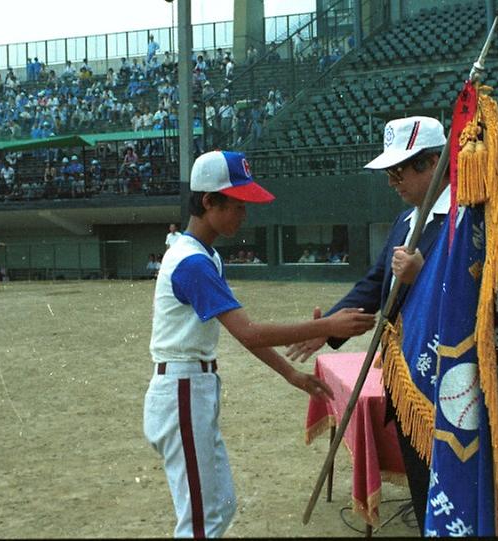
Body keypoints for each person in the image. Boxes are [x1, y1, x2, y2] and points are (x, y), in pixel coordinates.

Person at [143, 150, 375, 538]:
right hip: (181, 389)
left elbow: (243, 331)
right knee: (201, 521)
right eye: (237, 204)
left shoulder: (205, 256)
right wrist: (330, 324)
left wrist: (290, 374)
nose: (244, 214)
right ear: (208, 201)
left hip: (193, 388)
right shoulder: (191, 262)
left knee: (220, 506)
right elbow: (248, 332)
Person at [283, 116, 448, 534]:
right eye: (388, 173)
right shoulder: (405, 221)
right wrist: (329, 328)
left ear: (433, 163)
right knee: (420, 482)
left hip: (448, 382)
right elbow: (376, 283)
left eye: (399, 171)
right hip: (406, 380)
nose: (392, 181)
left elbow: (485, 288)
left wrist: (424, 272)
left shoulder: (468, 220)